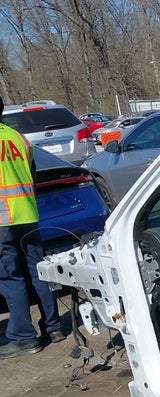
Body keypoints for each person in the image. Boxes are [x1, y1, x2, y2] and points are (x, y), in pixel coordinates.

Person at [0, 96, 65, 359]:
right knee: (38, 271)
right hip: (27, 215)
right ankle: (54, 327)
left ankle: (23, 338)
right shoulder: (19, 138)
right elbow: (32, 173)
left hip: (2, 220)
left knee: (9, 277)